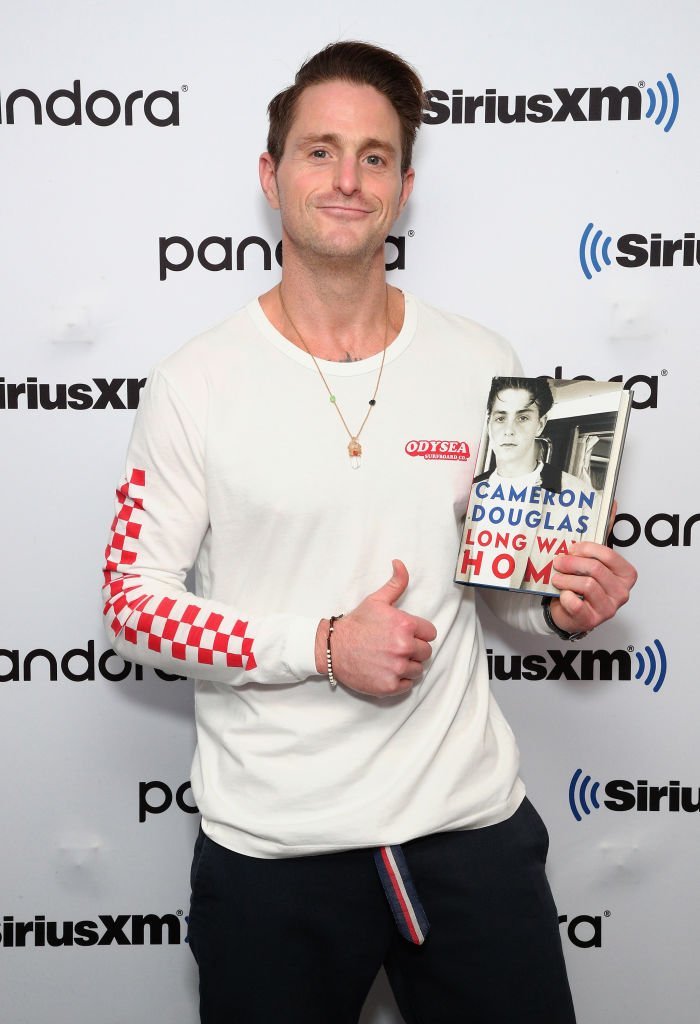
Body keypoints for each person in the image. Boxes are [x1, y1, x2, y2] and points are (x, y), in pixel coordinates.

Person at [102, 41, 637, 1024]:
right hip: (276, 854)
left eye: (374, 156)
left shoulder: (484, 361)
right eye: (319, 152)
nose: (347, 180)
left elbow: (504, 590)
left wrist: (561, 606)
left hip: (468, 832)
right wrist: (321, 644)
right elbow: (132, 606)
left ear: (404, 184)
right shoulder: (195, 382)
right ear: (271, 176)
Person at [464, 376, 603, 591]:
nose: (509, 430)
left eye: (522, 418)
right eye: (501, 418)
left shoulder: (582, 497)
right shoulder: (468, 491)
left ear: (540, 424)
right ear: (489, 423)